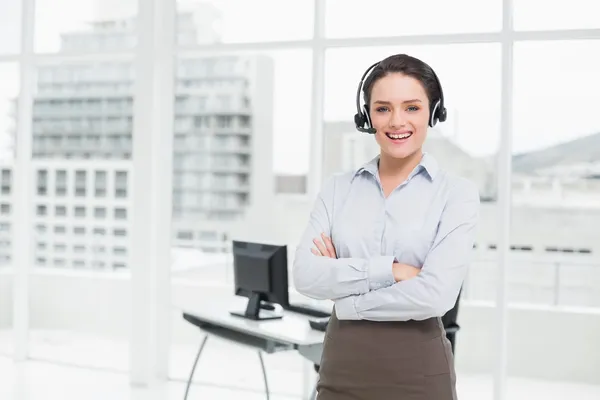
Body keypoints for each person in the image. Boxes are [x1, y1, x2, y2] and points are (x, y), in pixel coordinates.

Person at [292, 54, 480, 400]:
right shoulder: (338, 188)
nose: (397, 121)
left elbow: (434, 295)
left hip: (419, 372)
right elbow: (305, 275)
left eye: (411, 107)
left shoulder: (457, 194)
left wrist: (348, 300)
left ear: (433, 113)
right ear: (366, 117)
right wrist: (392, 271)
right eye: (382, 109)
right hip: (341, 366)